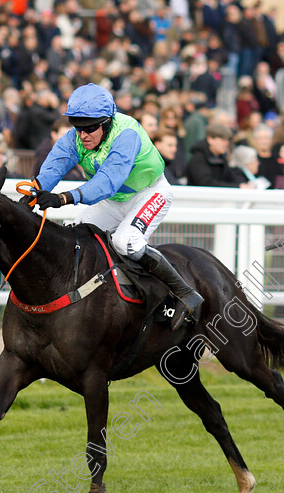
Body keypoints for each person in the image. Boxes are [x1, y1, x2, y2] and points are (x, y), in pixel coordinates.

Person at [28, 84, 203, 330]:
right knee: (74, 234)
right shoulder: (77, 138)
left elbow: (107, 182)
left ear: (108, 122)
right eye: (78, 128)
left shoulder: (126, 133)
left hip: (150, 193)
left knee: (125, 241)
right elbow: (55, 164)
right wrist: (35, 188)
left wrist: (63, 198)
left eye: (90, 128)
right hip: (115, 201)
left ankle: (185, 293)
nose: (83, 135)